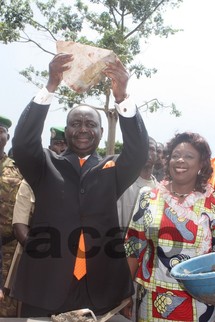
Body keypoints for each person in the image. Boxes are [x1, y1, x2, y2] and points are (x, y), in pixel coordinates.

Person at [11, 53, 149, 318]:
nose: (83, 129)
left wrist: (122, 97)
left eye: (90, 124)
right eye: (75, 123)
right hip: (45, 286)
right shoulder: (44, 165)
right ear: (66, 130)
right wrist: (50, 86)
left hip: (100, 288)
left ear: (100, 130)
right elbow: (23, 143)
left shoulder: (114, 170)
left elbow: (139, 151)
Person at [123, 132, 215, 321]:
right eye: (175, 155)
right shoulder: (148, 196)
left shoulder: (212, 202)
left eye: (189, 156)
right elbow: (133, 247)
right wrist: (124, 293)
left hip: (200, 302)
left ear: (201, 165)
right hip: (151, 298)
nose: (180, 160)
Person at [4, 126, 67, 300]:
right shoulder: (32, 181)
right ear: (49, 147)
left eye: (64, 144)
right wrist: (38, 252)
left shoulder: (84, 180)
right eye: (56, 144)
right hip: (36, 257)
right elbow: (19, 225)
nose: (60, 149)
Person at [117, 136, 157, 322]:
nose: (150, 153)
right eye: (146, 148)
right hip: (121, 261)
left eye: (154, 149)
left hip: (150, 269)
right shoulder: (122, 184)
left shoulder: (160, 190)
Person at [0, 115, 22, 316]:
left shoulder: (19, 169)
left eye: (0, 131)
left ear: (7, 136)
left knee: (6, 307)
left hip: (9, 249)